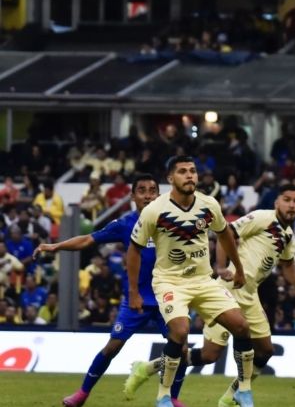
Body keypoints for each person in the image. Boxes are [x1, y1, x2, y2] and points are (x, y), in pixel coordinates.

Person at [124, 185, 295, 407]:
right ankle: (148, 368)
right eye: (286, 199)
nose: (291, 205)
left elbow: (288, 264)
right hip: (229, 289)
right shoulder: (262, 218)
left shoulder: (287, 235)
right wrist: (222, 266)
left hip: (250, 294)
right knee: (210, 355)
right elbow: (227, 233)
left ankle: (231, 397)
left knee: (266, 350)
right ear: (277, 202)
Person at [34, 174, 190, 407]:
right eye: (142, 190)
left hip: (167, 297)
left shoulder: (171, 222)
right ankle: (82, 395)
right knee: (112, 347)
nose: (147, 195)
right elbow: (88, 239)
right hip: (135, 298)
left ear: (159, 195)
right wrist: (57, 246)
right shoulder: (125, 224)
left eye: (152, 190)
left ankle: (172, 398)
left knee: (183, 349)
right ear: (133, 196)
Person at [128, 156, 255, 407]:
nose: (190, 176)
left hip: (204, 280)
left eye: (193, 171)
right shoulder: (155, 209)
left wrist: (237, 268)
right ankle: (163, 396)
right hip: (170, 282)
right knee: (180, 330)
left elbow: (225, 235)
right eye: (183, 172)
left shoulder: (209, 205)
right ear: (170, 179)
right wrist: (133, 291)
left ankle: (243, 390)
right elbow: (134, 251)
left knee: (241, 326)